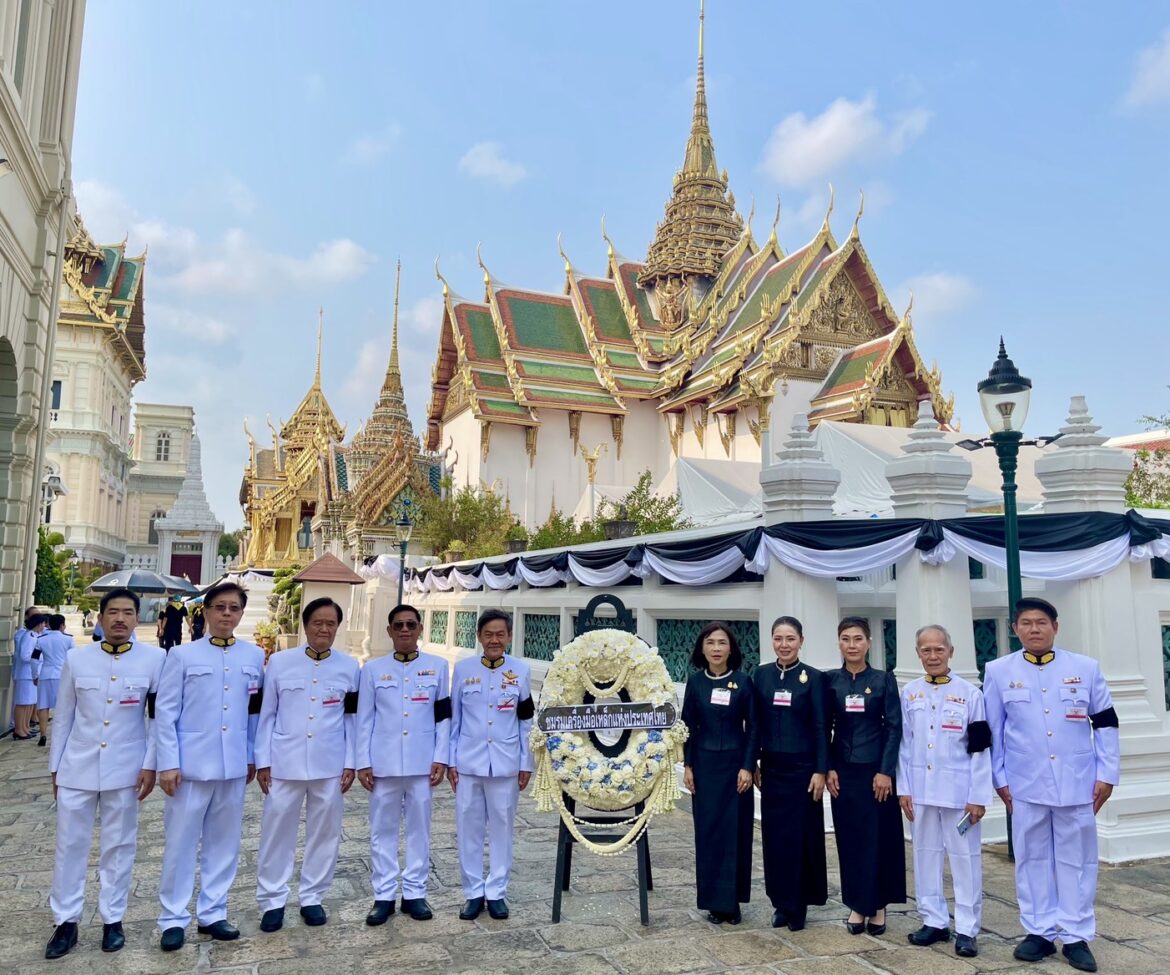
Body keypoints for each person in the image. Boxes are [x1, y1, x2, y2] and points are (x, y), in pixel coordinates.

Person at [983, 597, 1119, 974]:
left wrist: (1107, 774)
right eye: (1026, 623)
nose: (1034, 629)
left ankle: (1076, 935)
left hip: (1078, 780)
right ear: (1015, 629)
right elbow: (992, 730)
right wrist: (1000, 779)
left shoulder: (1085, 668)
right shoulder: (998, 671)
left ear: (1055, 627)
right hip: (1024, 782)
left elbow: (1105, 723)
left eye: (1041, 622)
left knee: (1078, 859)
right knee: (1031, 857)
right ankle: (1039, 931)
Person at [44, 589, 164, 958]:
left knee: (119, 844)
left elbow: (158, 718)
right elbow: (63, 715)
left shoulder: (155, 659)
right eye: (113, 612)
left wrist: (150, 764)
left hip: (126, 768)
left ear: (137, 618)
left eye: (128, 612)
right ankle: (65, 922)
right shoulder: (78, 660)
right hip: (77, 767)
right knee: (69, 846)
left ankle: (113, 919)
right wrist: (55, 767)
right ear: (100, 618)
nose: (120, 619)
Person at [154, 581, 264, 951]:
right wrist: (167, 763)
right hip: (189, 766)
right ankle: (172, 917)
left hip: (232, 765)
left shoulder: (253, 657)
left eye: (234, 608)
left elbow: (253, 714)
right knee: (181, 844)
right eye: (220, 607)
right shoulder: (183, 657)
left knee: (224, 844)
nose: (227, 614)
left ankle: (213, 912)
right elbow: (165, 714)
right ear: (206, 611)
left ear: (241, 613)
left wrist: (251, 756)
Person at [254, 597, 359, 931]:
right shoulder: (280, 663)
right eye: (318, 622)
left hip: (329, 761)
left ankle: (313, 896)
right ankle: (272, 900)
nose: (324, 629)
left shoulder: (349, 667)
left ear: (337, 627)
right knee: (276, 832)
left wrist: (351, 762)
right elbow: (266, 714)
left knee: (325, 833)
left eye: (331, 623)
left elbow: (352, 719)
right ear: (305, 625)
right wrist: (263, 761)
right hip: (285, 761)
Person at [897, 625, 993, 958]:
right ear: (918, 653)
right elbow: (904, 745)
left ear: (951, 652)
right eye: (926, 650)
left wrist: (978, 796)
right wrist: (903, 789)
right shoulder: (909, 693)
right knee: (925, 855)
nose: (933, 656)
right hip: (920, 791)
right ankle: (934, 919)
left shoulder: (971, 694)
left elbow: (981, 749)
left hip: (959, 792)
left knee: (965, 859)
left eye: (939, 649)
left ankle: (967, 927)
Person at [356, 603, 450, 924]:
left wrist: (441, 757)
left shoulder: (438, 668)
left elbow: (443, 719)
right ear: (390, 631)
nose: (406, 630)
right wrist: (362, 762)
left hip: (423, 763)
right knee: (382, 831)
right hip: (383, 765)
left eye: (411, 625)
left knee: (418, 831)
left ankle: (415, 894)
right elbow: (364, 719)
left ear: (421, 628)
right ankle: (383, 895)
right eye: (399, 626)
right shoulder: (372, 670)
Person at [448, 609, 533, 921]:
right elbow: (454, 718)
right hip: (468, 763)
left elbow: (526, 720)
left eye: (500, 634)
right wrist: (449, 760)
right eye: (488, 634)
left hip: (506, 763)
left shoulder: (520, 671)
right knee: (468, 829)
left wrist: (526, 762)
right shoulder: (463, 669)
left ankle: (496, 891)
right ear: (479, 637)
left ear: (509, 637)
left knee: (502, 828)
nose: (494, 639)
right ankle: (473, 892)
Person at [826, 616, 904, 936]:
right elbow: (823, 727)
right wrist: (828, 766)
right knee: (851, 839)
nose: (852, 645)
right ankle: (858, 904)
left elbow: (894, 726)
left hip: (876, 774)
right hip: (843, 772)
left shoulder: (883, 680)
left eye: (858, 639)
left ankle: (879, 905)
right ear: (839, 643)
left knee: (878, 839)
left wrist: (885, 771)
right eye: (846, 639)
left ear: (869, 642)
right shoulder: (831, 681)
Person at [751, 616, 827, 931]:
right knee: (775, 838)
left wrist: (821, 769)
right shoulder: (761, 675)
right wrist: (753, 762)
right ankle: (780, 902)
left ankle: (799, 903)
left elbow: (822, 727)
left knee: (801, 839)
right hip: (772, 770)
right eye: (779, 638)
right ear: (772, 641)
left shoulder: (814, 678)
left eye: (790, 639)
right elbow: (755, 723)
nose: (784, 645)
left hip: (804, 770)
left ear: (801, 641)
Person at [681, 621, 757, 925]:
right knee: (709, 833)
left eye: (722, 643)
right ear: (702, 648)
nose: (716, 648)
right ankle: (713, 902)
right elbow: (687, 726)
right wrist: (687, 766)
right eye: (710, 642)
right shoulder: (695, 683)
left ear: (731, 648)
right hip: (704, 767)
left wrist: (748, 766)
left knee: (735, 833)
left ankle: (733, 902)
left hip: (736, 769)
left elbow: (754, 729)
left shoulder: (743, 682)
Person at [34, 614, 75, 746]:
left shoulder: (41, 639)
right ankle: (62, 734)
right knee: (63, 706)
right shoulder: (68, 640)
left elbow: (34, 659)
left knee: (43, 706)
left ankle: (43, 735)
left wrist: (35, 674)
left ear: (49, 625)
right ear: (62, 625)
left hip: (46, 674)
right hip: (62, 675)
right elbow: (74, 659)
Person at [12, 611, 44, 739]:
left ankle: (25, 727)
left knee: (29, 702)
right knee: (22, 703)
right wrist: (40, 657)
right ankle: (19, 729)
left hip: (31, 674)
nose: (43, 627)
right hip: (25, 674)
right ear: (38, 624)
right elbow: (25, 656)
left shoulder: (33, 636)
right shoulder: (28, 637)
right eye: (42, 624)